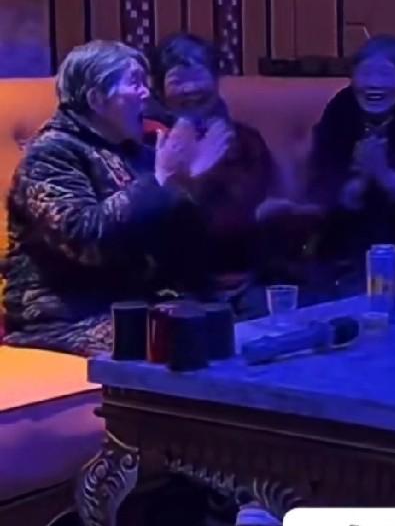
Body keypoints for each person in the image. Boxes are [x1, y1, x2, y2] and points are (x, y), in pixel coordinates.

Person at [2, 41, 230, 356]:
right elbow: (85, 240)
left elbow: (185, 248)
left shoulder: (136, 152)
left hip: (137, 303)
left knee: (235, 326)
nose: (146, 93)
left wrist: (191, 185)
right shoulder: (50, 155)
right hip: (65, 318)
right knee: (179, 342)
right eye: (135, 83)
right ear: (96, 99)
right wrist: (161, 181)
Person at [262, 35, 395, 295]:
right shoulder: (341, 109)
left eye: (385, 74)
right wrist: (351, 188)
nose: (373, 84)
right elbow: (320, 180)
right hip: (343, 241)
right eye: (366, 73)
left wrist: (386, 176)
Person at [146, 33, 275, 313]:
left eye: (198, 77)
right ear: (159, 91)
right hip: (174, 286)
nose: (190, 89)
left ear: (217, 81)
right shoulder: (149, 142)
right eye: (177, 81)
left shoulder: (247, 141)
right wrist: (187, 176)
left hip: (248, 278)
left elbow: (253, 212)